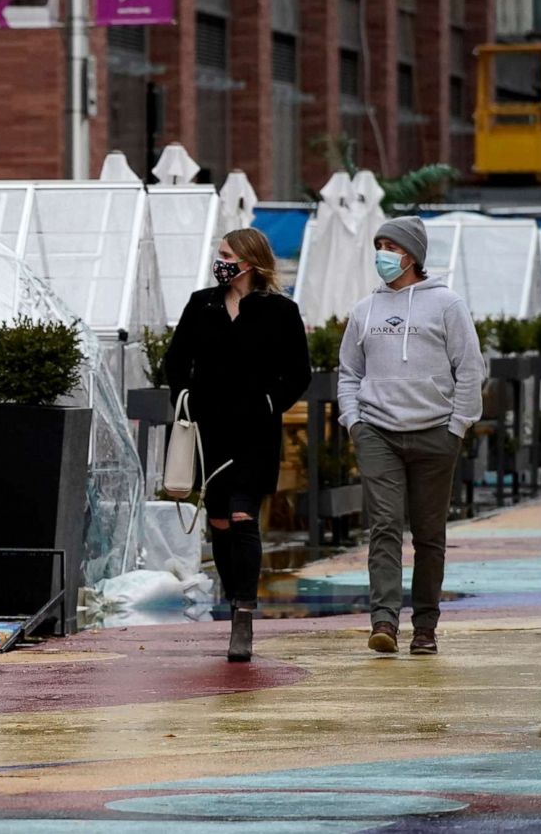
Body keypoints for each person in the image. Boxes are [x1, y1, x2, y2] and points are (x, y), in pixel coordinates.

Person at [165, 228, 312, 662]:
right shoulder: (201, 304)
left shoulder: (280, 311)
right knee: (221, 523)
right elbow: (175, 359)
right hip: (209, 430)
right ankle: (234, 598)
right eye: (220, 253)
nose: (221, 260)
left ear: (250, 260)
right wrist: (183, 397)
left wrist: (270, 402)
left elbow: (298, 371)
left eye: (228, 253)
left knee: (244, 516)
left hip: (254, 431)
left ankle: (244, 616)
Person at [338, 217, 483, 655]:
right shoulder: (364, 310)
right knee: (383, 526)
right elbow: (349, 372)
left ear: (412, 255)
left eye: (390, 245)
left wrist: (457, 426)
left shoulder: (447, 305)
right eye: (378, 244)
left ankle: (425, 627)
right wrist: (355, 422)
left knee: (428, 533)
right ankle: (384, 621)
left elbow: (470, 368)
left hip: (435, 434)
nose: (381, 253)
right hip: (378, 433)